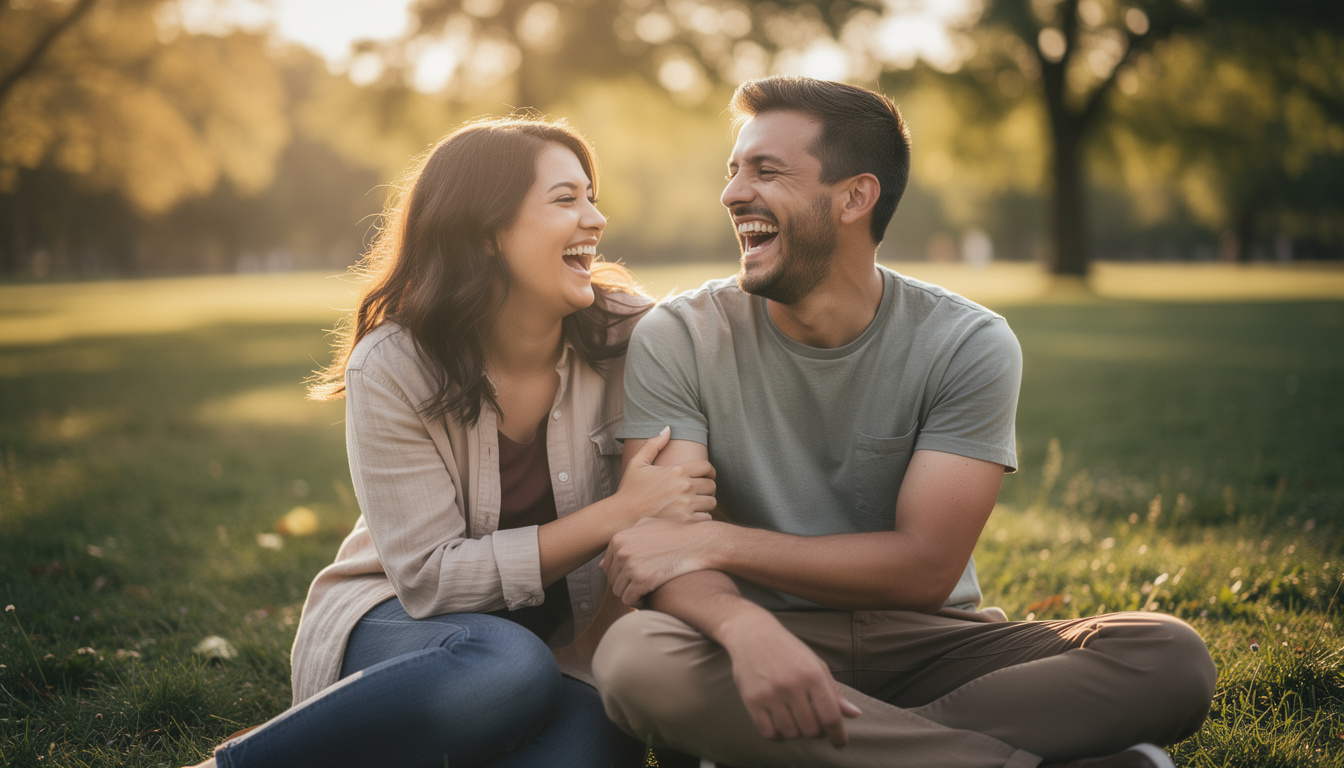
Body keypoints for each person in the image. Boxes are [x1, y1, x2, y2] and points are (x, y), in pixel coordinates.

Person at [591, 76, 1216, 768]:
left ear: (855, 197)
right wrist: (745, 629)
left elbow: (924, 568)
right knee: (633, 655)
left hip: (929, 643)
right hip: (758, 633)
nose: (732, 193)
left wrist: (720, 542)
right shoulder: (678, 335)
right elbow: (668, 552)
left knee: (1168, 655)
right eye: (733, 169)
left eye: (765, 171)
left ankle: (797, 749)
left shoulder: (966, 342)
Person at [191, 116, 718, 768]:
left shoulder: (636, 338)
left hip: (575, 648)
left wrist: (588, 652)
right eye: (565, 199)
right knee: (508, 665)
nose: (596, 218)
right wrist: (617, 513)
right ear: (486, 233)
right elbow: (430, 580)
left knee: (586, 745)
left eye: (591, 196)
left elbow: (723, 328)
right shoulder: (392, 365)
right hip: (408, 623)